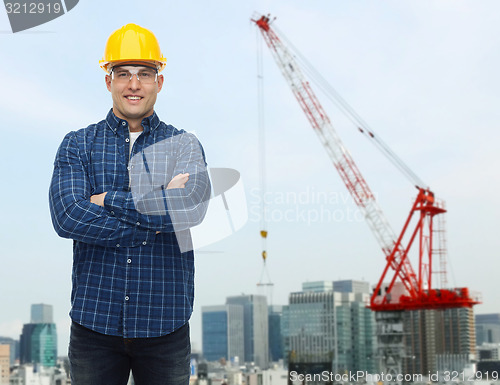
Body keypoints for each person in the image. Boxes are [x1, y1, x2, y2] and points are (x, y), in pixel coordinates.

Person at [49, 23, 211, 385]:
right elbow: (67, 216)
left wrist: (108, 201)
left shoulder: (184, 145)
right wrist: (157, 212)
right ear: (109, 81)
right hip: (95, 325)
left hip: (165, 327)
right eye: (123, 74)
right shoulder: (78, 144)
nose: (133, 84)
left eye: (144, 74)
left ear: (159, 81)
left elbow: (192, 209)